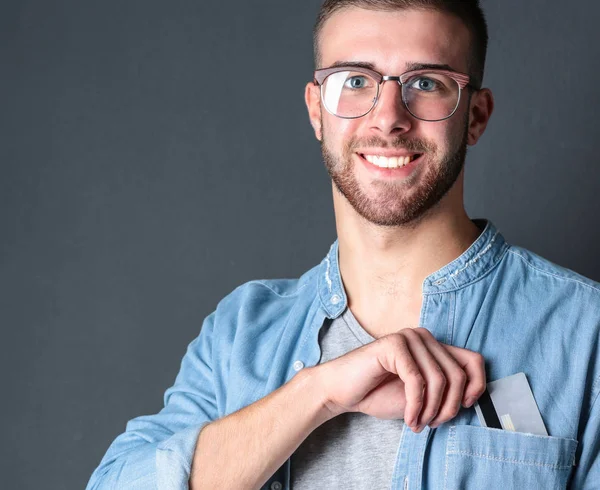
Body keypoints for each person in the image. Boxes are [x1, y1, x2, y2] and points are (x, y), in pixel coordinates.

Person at [86, 1, 600, 489]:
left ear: (477, 116)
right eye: (355, 81)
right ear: (316, 110)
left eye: (427, 82)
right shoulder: (240, 335)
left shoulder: (585, 333)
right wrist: (319, 393)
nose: (388, 118)